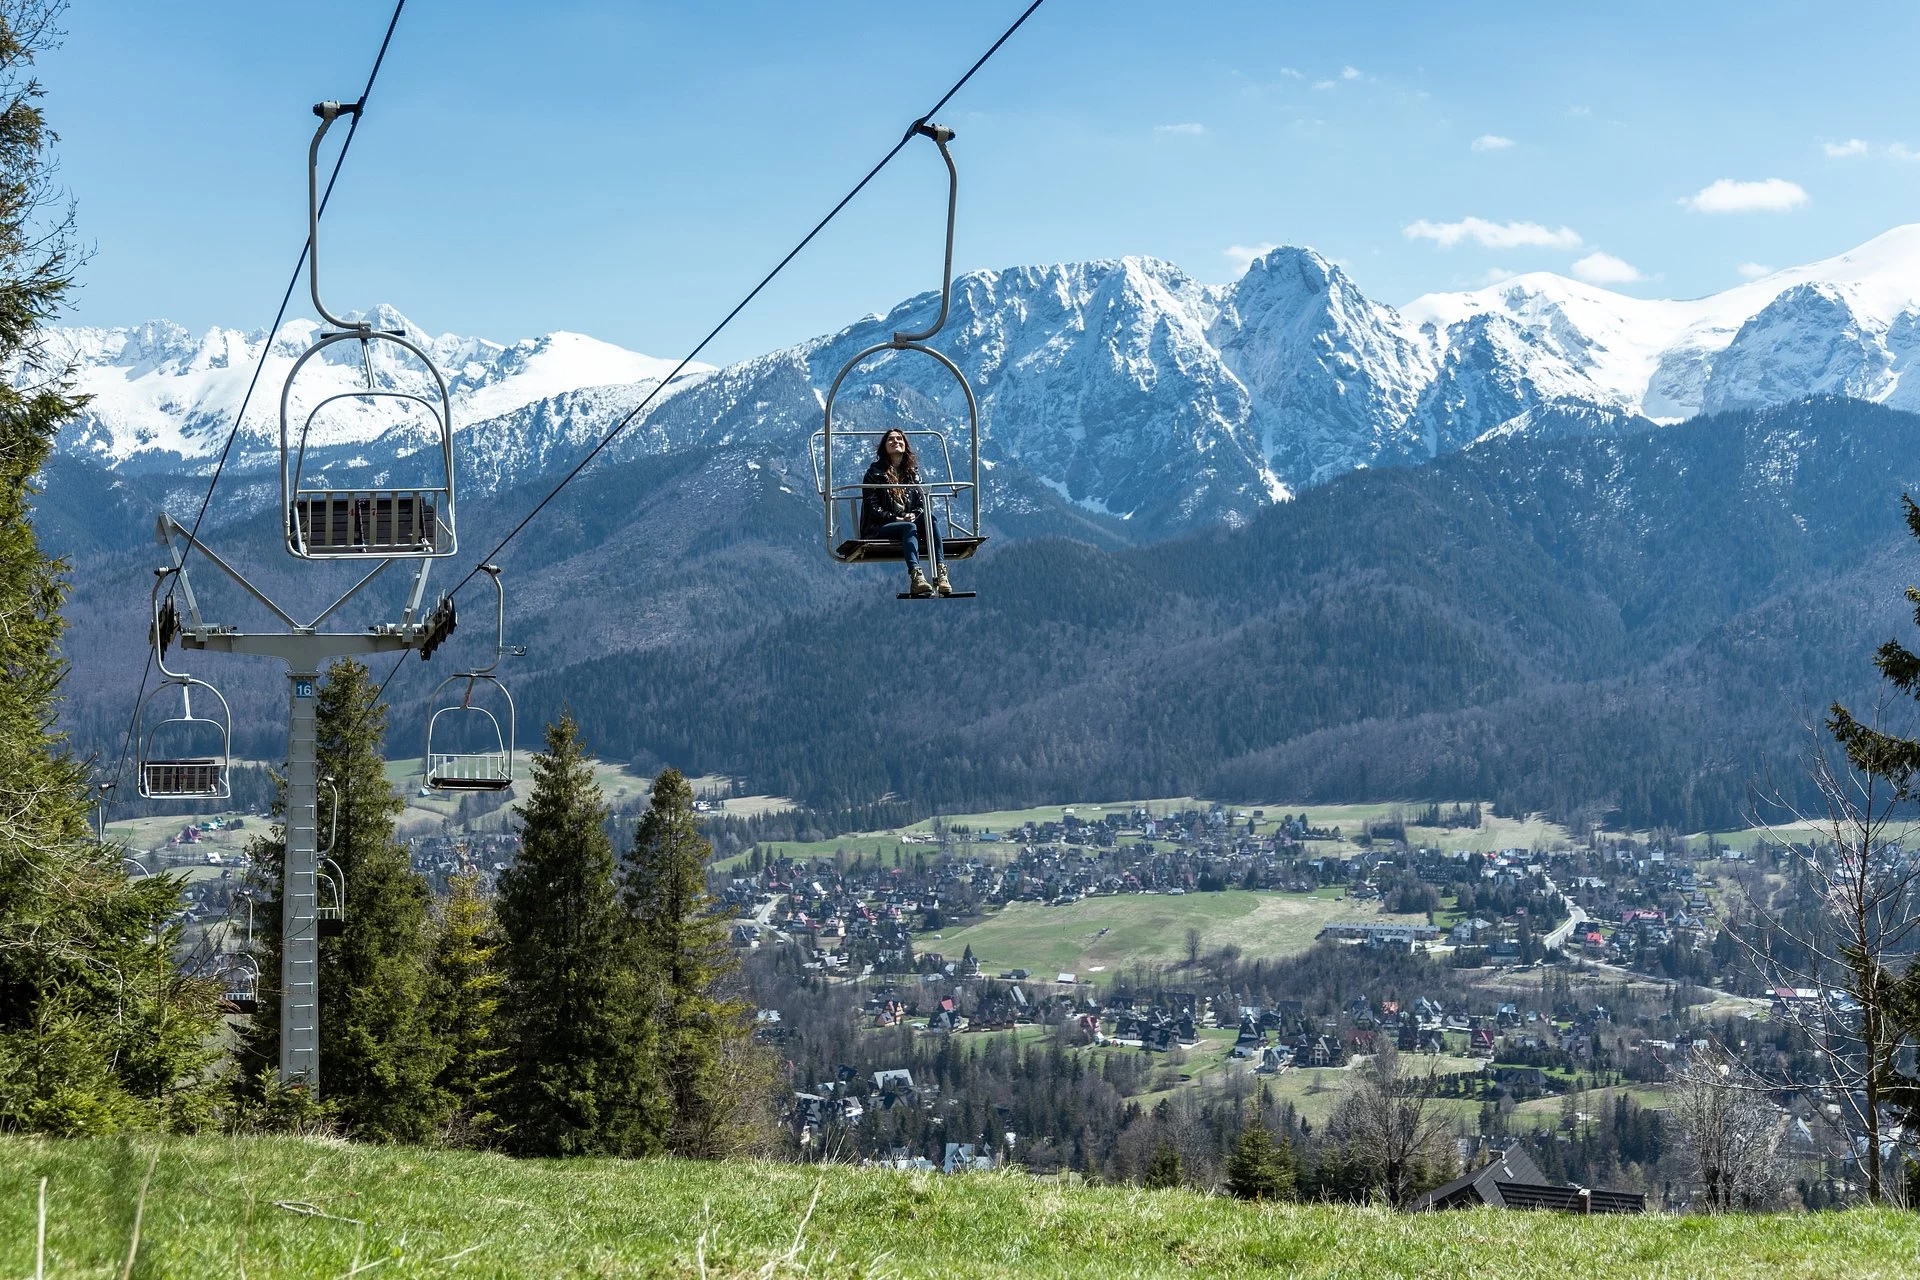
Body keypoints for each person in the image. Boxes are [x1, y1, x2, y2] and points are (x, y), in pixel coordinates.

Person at [860, 428, 955, 597]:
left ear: (905, 445)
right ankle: (916, 576)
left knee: (930, 518)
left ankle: (941, 573)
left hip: (906, 522)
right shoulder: (874, 474)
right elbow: (872, 507)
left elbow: (921, 502)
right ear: (884, 446)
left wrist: (915, 513)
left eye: (900, 439)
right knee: (908, 527)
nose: (896, 441)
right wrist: (894, 517)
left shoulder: (912, 474)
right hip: (880, 527)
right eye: (891, 439)